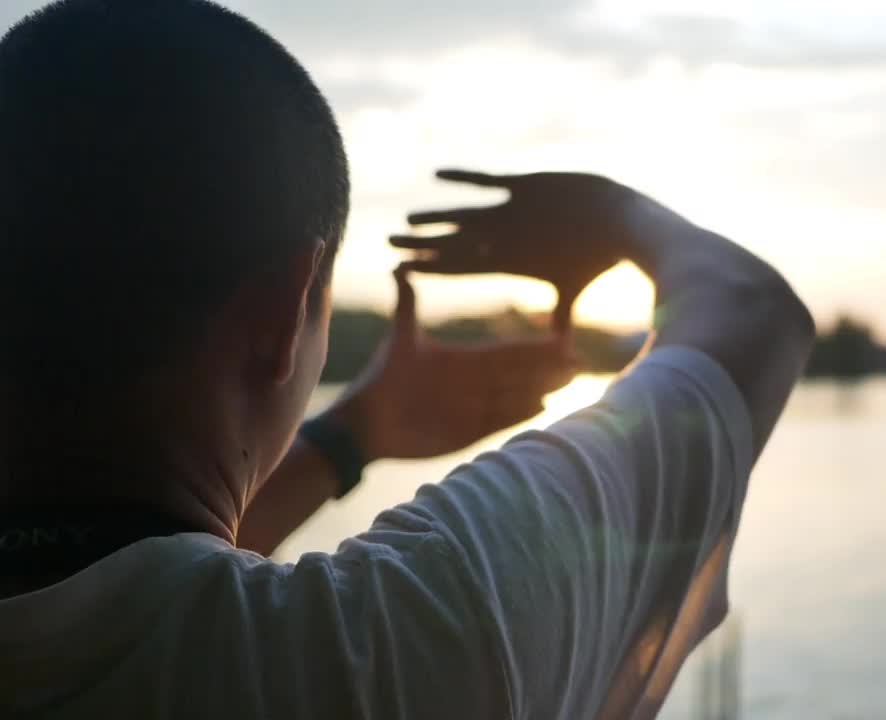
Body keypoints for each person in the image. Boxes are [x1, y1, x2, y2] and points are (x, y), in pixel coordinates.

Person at [0, 1, 813, 718]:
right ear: (284, 317)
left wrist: (358, 430)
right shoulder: (396, 652)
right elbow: (752, 311)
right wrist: (613, 211)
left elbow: (117, 595)